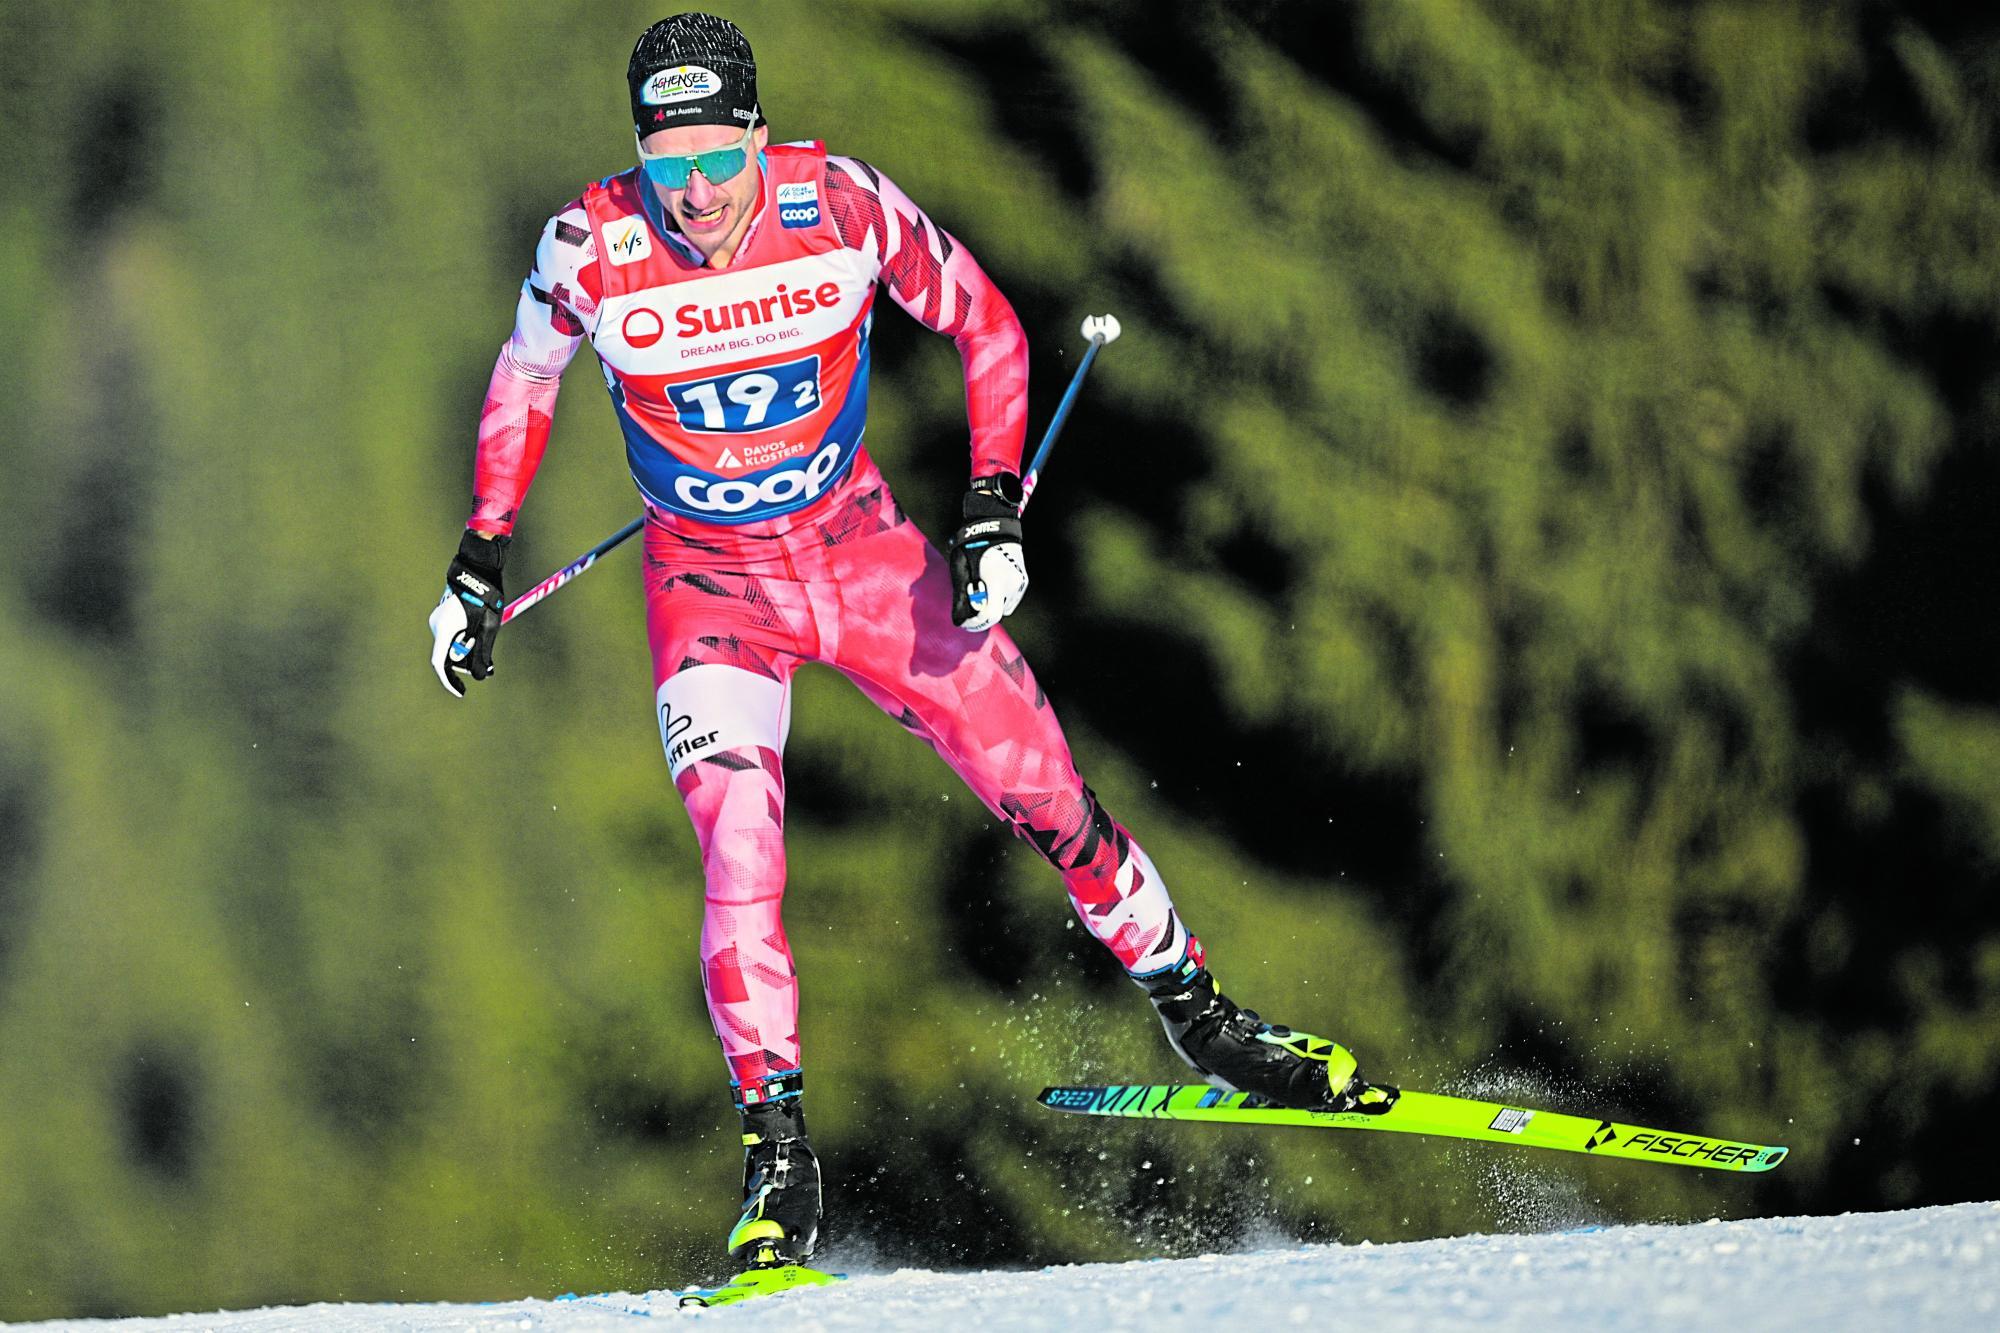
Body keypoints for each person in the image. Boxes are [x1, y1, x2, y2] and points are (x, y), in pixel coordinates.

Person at [427, 12, 1381, 1272]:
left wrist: (991, 509)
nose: (698, 195)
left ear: (756, 140)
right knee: (736, 840)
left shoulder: (840, 204)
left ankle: (1201, 1016)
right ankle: (778, 1162)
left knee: (1041, 791)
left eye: (718, 159)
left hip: (863, 556)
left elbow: (986, 324)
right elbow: (524, 379)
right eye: (669, 169)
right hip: (709, 587)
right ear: (638, 161)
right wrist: (478, 560)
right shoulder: (587, 247)